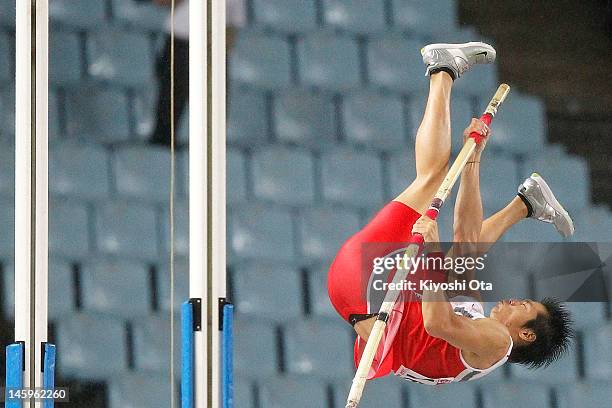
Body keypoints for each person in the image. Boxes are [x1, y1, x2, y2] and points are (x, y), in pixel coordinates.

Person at [327, 42, 575, 385]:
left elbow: (436, 323)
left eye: (524, 306)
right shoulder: (473, 316)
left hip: (364, 286)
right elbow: (466, 238)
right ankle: (525, 204)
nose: (514, 299)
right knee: (465, 252)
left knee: (430, 179)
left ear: (527, 335)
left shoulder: (496, 342)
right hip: (365, 289)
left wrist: (429, 254)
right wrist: (473, 159)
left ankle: (443, 71)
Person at [149, 0, 246, 146]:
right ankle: (162, 148)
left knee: (215, 109)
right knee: (171, 103)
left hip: (214, 46)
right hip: (180, 42)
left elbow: (234, 23)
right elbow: (161, 2)